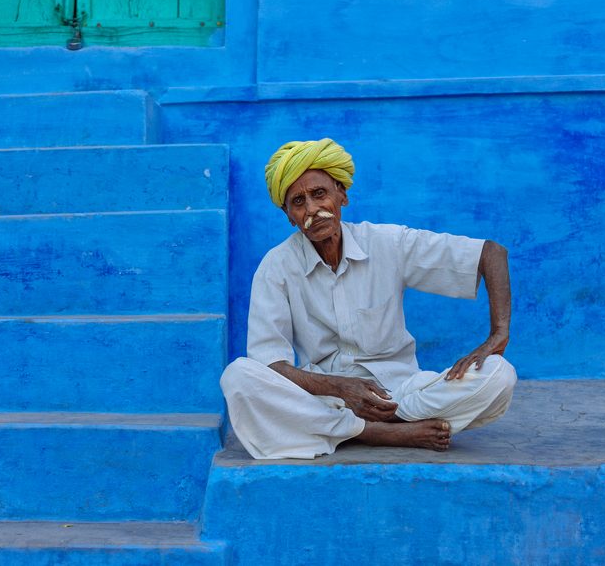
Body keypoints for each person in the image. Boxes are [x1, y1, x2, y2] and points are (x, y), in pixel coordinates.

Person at [221, 138, 516, 459]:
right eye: (298, 202)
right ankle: (375, 432)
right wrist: (340, 388)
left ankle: (352, 428)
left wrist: (498, 335)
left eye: (319, 194)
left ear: (341, 195)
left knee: (499, 375)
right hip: (323, 397)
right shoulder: (276, 267)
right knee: (238, 377)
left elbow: (490, 254)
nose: (311, 210)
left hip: (400, 394)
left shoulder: (387, 242)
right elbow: (271, 364)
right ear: (289, 216)